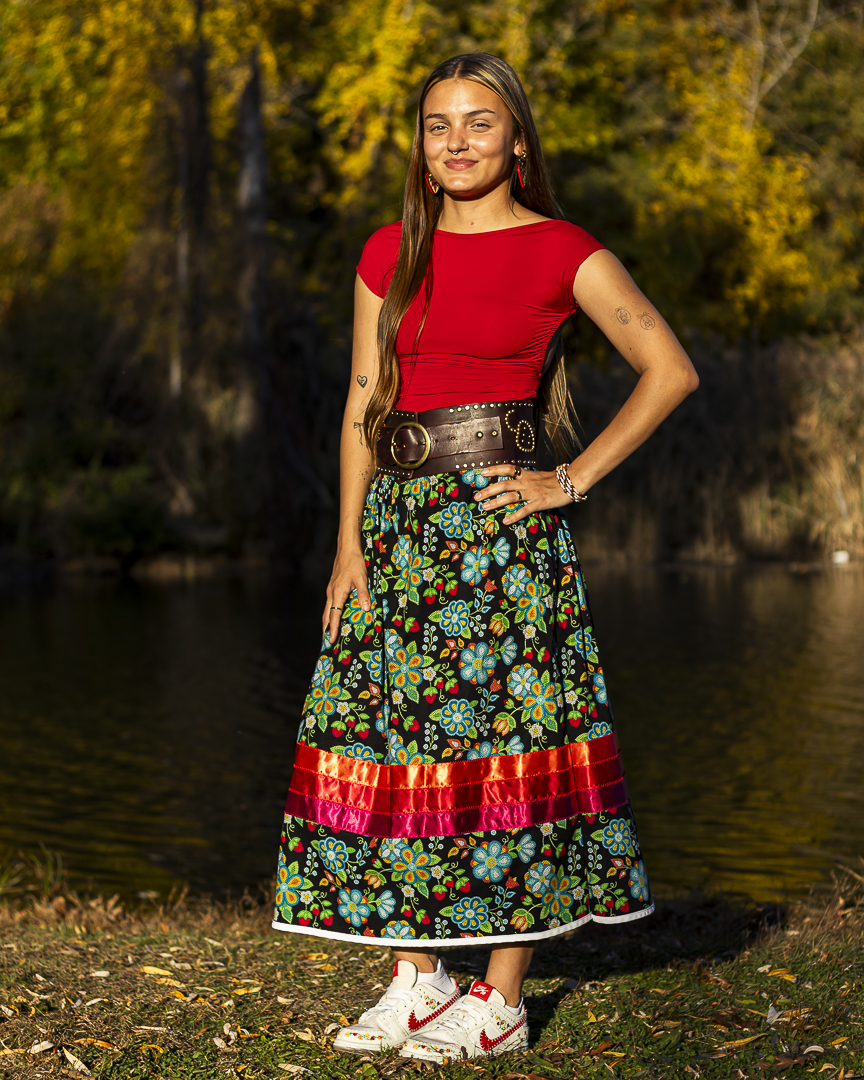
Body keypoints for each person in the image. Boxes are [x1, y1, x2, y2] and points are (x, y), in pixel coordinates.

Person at [272, 52, 699, 1064]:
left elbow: (668, 369)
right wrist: (345, 546)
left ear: (517, 142)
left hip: (501, 532)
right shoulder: (389, 252)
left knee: (506, 750)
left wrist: (572, 479)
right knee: (393, 741)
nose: (457, 141)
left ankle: (500, 997)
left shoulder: (561, 249)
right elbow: (362, 402)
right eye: (437, 126)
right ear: (421, 151)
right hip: (397, 527)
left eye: (478, 122)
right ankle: (419, 976)